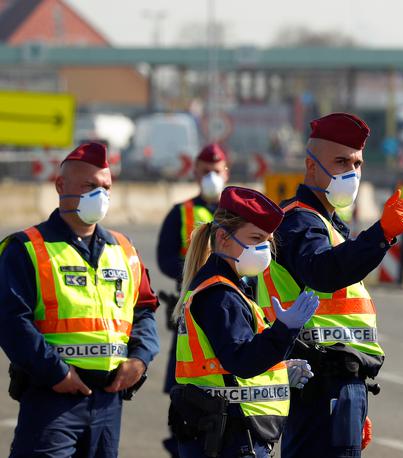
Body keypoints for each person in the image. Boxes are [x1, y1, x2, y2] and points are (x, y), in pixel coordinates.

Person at [255, 112, 403, 457]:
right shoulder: (300, 221)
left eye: (358, 163)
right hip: (318, 381)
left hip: (339, 384)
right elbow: (323, 273)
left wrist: (353, 397)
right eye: (341, 161)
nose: (352, 172)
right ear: (311, 166)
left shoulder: (325, 223)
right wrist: (382, 233)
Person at [0, 142, 160, 458]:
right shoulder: (27, 248)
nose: (99, 195)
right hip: (52, 397)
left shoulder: (124, 249)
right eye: (89, 186)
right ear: (60, 186)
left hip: (109, 400)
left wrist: (140, 358)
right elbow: (10, 320)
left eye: (105, 187)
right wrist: (56, 372)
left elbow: (143, 310)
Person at [169, 186, 319, 458]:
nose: (264, 248)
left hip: (227, 431)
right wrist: (284, 331)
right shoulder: (220, 295)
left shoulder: (226, 288)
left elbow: (226, 364)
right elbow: (242, 360)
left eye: (267, 240)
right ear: (224, 239)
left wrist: (279, 371)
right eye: (256, 238)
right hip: (229, 438)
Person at [156, 143, 230, 456]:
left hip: (230, 311)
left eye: (217, 171)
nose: (211, 176)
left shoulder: (237, 213)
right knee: (185, 395)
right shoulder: (181, 212)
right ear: (195, 172)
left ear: (226, 172)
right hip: (190, 312)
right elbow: (164, 258)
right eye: (205, 171)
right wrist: (199, 275)